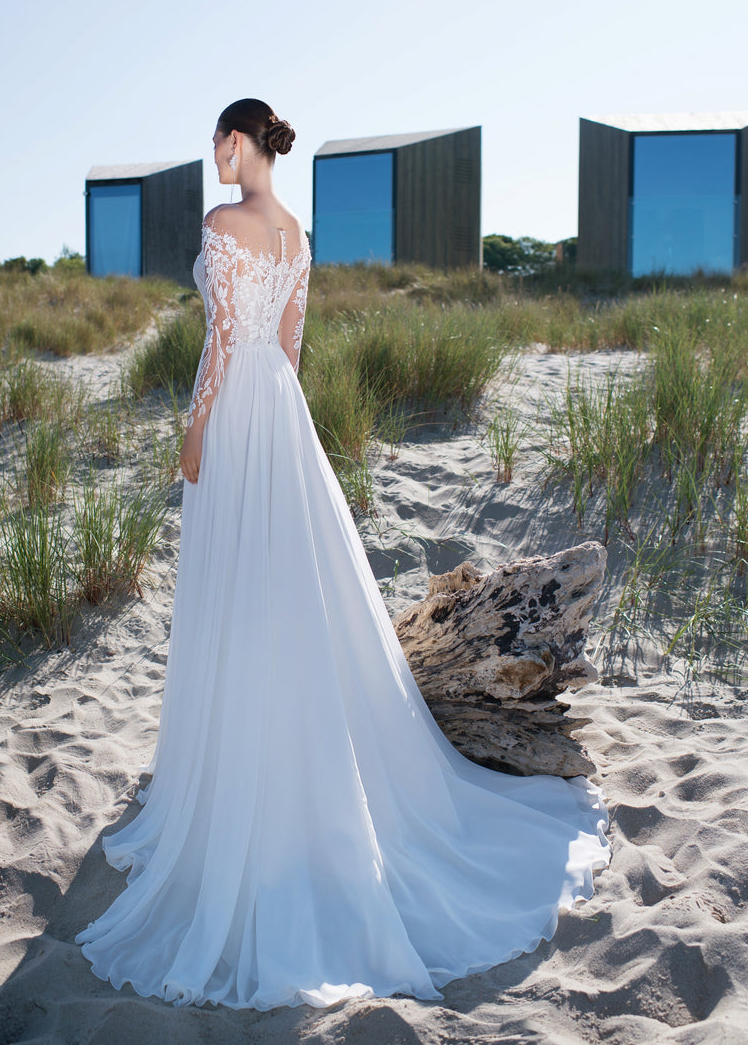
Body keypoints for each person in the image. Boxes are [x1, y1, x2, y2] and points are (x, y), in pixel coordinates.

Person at [75, 98, 611, 1011]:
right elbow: (288, 344)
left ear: (240, 143)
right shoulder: (297, 233)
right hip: (284, 414)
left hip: (242, 414)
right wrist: (265, 407)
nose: (213, 155)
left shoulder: (223, 223)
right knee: (292, 589)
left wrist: (197, 427)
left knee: (242, 591)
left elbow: (218, 345)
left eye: (219, 141)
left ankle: (237, 770)